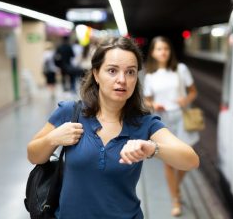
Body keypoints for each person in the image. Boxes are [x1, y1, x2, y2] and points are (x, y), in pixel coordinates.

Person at [27, 37, 199, 219]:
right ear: (96, 74)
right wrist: (52, 139)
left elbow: (191, 160)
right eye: (112, 71)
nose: (122, 80)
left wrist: (153, 149)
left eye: (130, 72)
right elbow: (33, 155)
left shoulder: (144, 123)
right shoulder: (70, 112)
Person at [143, 36, 199, 216]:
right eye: (159, 49)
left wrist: (185, 99)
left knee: (188, 159)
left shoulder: (181, 69)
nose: (163, 52)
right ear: (153, 52)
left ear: (170, 51)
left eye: (165, 48)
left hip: (182, 117)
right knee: (169, 163)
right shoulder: (150, 76)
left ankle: (175, 187)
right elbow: (147, 100)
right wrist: (153, 105)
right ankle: (175, 198)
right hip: (163, 121)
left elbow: (193, 92)